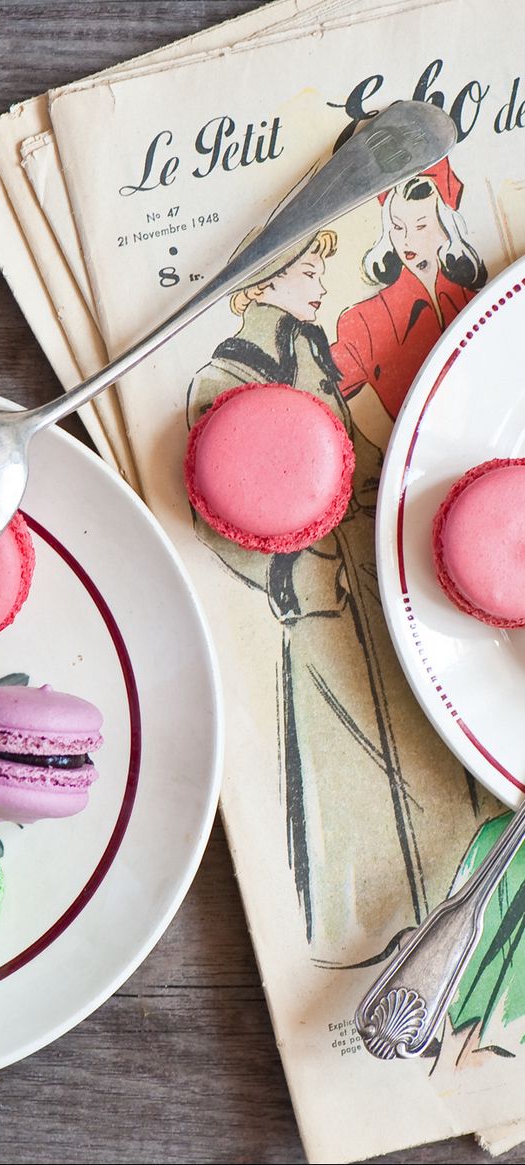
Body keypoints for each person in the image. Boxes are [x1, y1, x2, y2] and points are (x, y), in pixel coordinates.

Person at [187, 227, 491, 961]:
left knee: (421, 755)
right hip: (324, 609)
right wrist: (311, 582)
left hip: (375, 580)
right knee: (350, 770)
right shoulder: (226, 377)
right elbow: (234, 531)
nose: (321, 274)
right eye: (303, 265)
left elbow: (354, 456)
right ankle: (366, 930)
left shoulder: (306, 351)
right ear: (257, 286)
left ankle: (444, 907)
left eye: (323, 259)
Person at [331, 157, 487, 421]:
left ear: (446, 227)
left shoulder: (482, 307)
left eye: (420, 226)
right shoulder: (363, 322)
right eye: (397, 227)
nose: (406, 240)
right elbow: (323, 393)